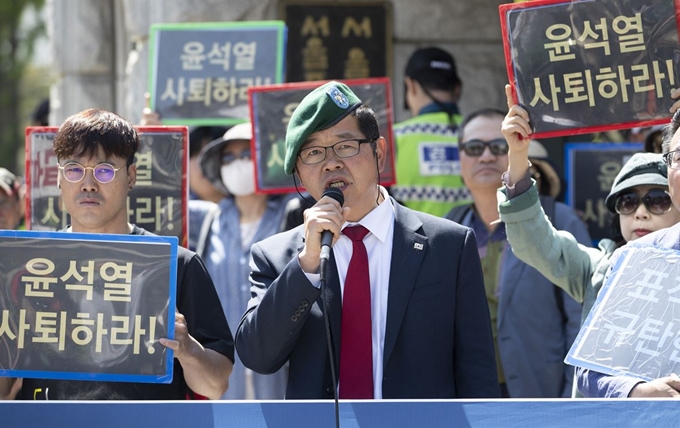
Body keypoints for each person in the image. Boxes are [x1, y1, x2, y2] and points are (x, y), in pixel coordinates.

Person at [235, 81, 499, 399]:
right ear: (300, 176)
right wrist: (306, 265)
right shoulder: (277, 256)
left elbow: (477, 373)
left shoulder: (448, 245)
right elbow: (257, 357)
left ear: (380, 154)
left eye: (346, 146)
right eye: (314, 152)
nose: (331, 162)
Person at [1, 108, 234, 400]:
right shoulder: (24, 268)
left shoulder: (176, 264)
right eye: (74, 169)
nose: (88, 183)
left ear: (131, 176)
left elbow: (216, 386)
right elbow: (5, 388)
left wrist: (187, 349)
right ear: (59, 179)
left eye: (104, 170)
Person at [499, 85, 680, 397]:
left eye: (656, 200)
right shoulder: (603, 268)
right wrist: (517, 157)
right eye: (627, 202)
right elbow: (535, 240)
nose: (640, 213)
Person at [446, 107, 590, 398]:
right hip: (471, 399)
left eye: (499, 145)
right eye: (474, 148)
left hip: (542, 399)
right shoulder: (447, 228)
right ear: (459, 159)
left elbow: (584, 321)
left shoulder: (559, 220)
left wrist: (573, 403)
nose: (486, 156)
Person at [189, 122, 302, 399]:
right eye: (228, 158)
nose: (237, 164)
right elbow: (159, 198)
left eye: (246, 155)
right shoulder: (208, 218)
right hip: (224, 371)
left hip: (281, 367)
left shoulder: (293, 216)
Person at [575, 109, 680, 398]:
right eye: (679, 158)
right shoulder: (634, 258)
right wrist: (637, 391)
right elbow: (590, 369)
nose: (642, 213)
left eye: (653, 201)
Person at [390, 47, 472, 217]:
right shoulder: (485, 137)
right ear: (457, 88)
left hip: (413, 242)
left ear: (410, 85)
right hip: (475, 243)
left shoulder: (390, 140)